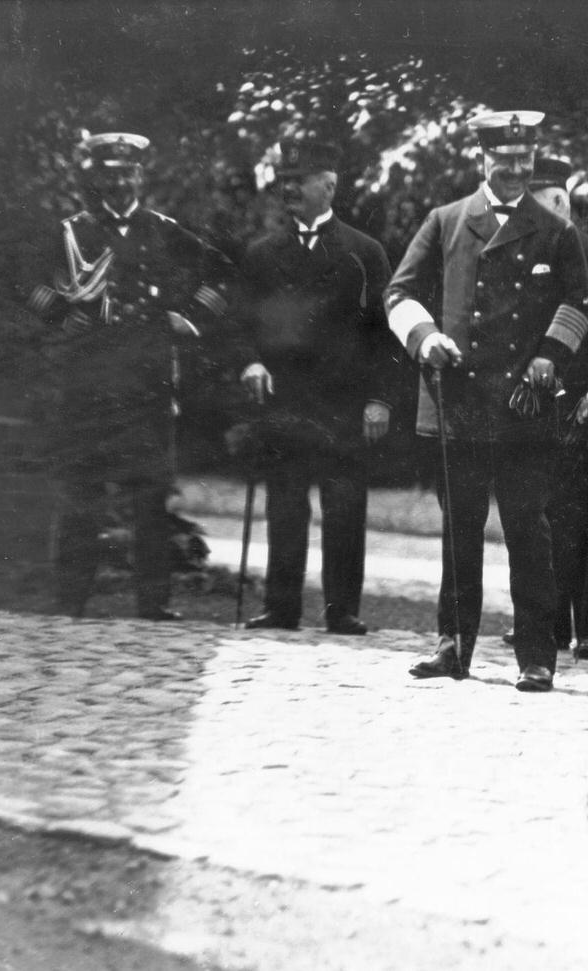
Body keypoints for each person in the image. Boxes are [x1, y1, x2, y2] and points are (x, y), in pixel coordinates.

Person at [386, 110, 588, 692]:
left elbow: (579, 301)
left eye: (524, 162)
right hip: (463, 402)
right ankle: (453, 646)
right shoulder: (447, 221)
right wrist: (427, 338)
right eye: (504, 161)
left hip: (525, 405)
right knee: (461, 528)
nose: (514, 170)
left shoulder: (555, 228)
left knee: (529, 529)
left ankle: (537, 655)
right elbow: (399, 292)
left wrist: (551, 352)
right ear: (483, 159)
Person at [26, 132, 233, 621]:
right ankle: (70, 601)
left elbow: (224, 275)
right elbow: (21, 279)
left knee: (150, 495)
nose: (117, 182)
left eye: (126, 173)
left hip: (147, 386)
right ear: (94, 178)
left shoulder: (164, 231)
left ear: (140, 176)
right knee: (81, 494)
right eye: (108, 174)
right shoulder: (69, 232)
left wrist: (188, 317)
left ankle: (153, 604)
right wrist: (58, 312)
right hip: (89, 385)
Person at [237, 139, 399, 635]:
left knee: (345, 505)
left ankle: (341, 609)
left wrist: (380, 399)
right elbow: (242, 323)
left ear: (328, 186)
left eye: (299, 181)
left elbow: (386, 333)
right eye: (284, 181)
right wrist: (250, 363)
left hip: (344, 402)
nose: (289, 189)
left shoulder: (364, 253)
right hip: (285, 399)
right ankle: (281, 607)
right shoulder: (263, 254)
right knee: (284, 503)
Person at [530, 156, 588, 661]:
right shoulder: (527, 254)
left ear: (561, 203)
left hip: (580, 400)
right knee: (536, 515)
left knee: (585, 516)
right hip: (534, 404)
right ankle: (548, 624)